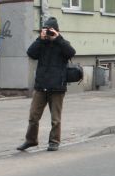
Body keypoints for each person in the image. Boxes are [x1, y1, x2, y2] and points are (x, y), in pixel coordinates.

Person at [16, 17, 76, 152]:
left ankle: (54, 142)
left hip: (57, 87)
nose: (48, 33)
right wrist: (40, 39)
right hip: (41, 86)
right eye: (46, 30)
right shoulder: (41, 44)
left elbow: (71, 52)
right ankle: (31, 140)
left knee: (55, 119)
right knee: (33, 117)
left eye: (50, 30)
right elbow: (31, 53)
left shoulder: (62, 43)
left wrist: (57, 38)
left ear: (56, 30)